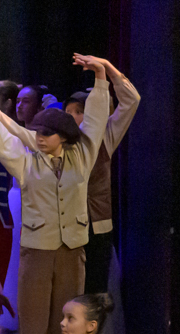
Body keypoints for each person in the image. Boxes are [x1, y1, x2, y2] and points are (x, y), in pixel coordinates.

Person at [0, 55, 114, 334]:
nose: (39, 138)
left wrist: (100, 78)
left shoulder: (81, 157)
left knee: (66, 322)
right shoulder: (26, 161)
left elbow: (96, 122)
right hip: (37, 251)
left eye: (46, 133)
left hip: (72, 250)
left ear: (63, 137)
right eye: (36, 132)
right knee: (34, 324)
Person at [59, 68, 140, 296]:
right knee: (69, 292)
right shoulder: (56, 144)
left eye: (79, 111)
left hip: (97, 225)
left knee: (95, 293)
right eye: (68, 111)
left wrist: (107, 67)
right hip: (66, 228)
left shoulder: (106, 137)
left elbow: (131, 101)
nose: (72, 116)